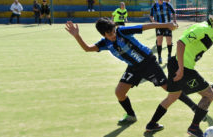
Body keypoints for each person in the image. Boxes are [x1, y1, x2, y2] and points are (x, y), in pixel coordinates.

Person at [65, 18, 198, 125]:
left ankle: (194, 107)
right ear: (103, 35)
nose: (113, 34)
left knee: (169, 89)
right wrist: (77, 36)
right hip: (134, 68)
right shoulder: (104, 43)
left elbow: (145, 27)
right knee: (119, 92)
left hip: (148, 63)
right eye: (110, 34)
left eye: (113, 31)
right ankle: (131, 115)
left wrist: (166, 25)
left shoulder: (122, 31)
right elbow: (88, 48)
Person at [145, 2, 213, 137]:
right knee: (209, 95)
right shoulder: (202, 29)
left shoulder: (212, 30)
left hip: (176, 64)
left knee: (172, 97)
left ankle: (151, 124)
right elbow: (180, 43)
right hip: (183, 68)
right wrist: (181, 69)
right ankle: (194, 127)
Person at [150, 0, 177, 64]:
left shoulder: (167, 4)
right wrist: (153, 21)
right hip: (159, 26)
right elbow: (151, 16)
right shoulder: (154, 6)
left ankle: (169, 56)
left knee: (169, 41)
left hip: (168, 25)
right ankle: (159, 57)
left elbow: (174, 12)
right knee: (159, 42)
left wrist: (174, 21)